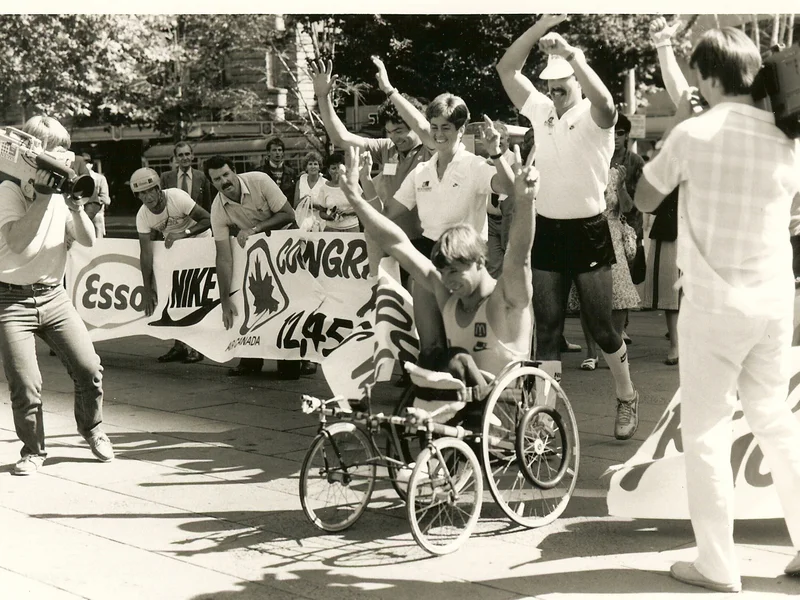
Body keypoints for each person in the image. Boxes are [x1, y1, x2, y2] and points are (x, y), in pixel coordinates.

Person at [635, 27, 800, 592]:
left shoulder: (695, 133)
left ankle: (717, 563)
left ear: (705, 76)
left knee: (705, 430)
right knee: (776, 423)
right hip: (775, 300)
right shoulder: (786, 138)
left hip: (711, 304)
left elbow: (644, 198)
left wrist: (681, 119)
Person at [496, 14, 639, 440]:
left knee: (601, 326)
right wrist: (541, 25)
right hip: (548, 230)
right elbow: (507, 68)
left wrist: (571, 54)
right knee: (549, 326)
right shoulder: (540, 108)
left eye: (563, 88)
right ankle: (544, 409)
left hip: (590, 229)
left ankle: (626, 393)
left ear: (577, 83)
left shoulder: (595, 116)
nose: (555, 95)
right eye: (551, 88)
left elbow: (609, 104)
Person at [340, 142, 536, 384]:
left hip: (503, 408)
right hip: (457, 405)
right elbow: (396, 244)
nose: (449, 281)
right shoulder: (449, 294)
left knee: (454, 361)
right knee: (432, 360)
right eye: (444, 273)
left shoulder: (506, 298)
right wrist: (355, 198)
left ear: (479, 261)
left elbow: (519, 255)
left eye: (455, 271)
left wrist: (526, 202)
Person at [371, 56, 515, 369]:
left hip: (465, 261)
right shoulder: (421, 170)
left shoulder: (475, 166)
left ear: (460, 130)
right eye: (434, 127)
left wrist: (498, 154)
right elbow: (389, 213)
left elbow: (507, 185)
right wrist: (357, 192)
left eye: (446, 128)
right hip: (428, 256)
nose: (437, 134)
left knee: (463, 347)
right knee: (431, 345)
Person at [0, 116, 114, 475]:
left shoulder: (63, 192)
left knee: (89, 367)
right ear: (32, 153)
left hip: (53, 295)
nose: (64, 156)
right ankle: (33, 450)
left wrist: (77, 206)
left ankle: (93, 429)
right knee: (26, 383)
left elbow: (87, 239)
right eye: (55, 148)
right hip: (11, 299)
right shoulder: (9, 190)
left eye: (65, 148)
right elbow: (18, 243)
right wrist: (43, 198)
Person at [310, 58, 430, 240]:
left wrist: (390, 90)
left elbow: (423, 126)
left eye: (399, 131)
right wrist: (322, 98)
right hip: (391, 240)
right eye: (389, 132)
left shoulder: (432, 150)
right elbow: (340, 138)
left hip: (425, 241)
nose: (394, 137)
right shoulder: (386, 147)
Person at [205, 155, 300, 378]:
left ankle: (291, 361)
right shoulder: (218, 209)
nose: (224, 182)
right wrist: (225, 299)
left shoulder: (260, 180)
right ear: (212, 183)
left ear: (235, 171)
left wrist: (254, 229)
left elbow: (289, 214)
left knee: (288, 304)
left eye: (226, 174)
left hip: (286, 245)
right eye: (217, 179)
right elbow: (224, 257)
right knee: (247, 299)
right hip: (256, 253)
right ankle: (250, 359)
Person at [131, 167, 211, 364]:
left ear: (159, 189)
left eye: (150, 190)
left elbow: (208, 219)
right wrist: (147, 288)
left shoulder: (176, 197)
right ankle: (179, 346)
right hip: (176, 251)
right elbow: (146, 253)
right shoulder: (143, 215)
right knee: (175, 297)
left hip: (198, 244)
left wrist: (184, 233)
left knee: (193, 297)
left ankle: (197, 346)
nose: (147, 197)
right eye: (142, 193)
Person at [570, 165, 640, 370]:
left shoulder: (616, 173)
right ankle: (591, 352)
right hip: (587, 232)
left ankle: (615, 347)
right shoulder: (581, 169)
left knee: (619, 294)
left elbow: (627, 207)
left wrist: (619, 186)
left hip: (613, 235)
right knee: (587, 294)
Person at [314, 153, 360, 233]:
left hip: (352, 229)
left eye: (339, 168)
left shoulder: (353, 184)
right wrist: (328, 217)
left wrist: (348, 213)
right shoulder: (324, 188)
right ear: (328, 170)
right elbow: (321, 212)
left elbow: (364, 207)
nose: (337, 171)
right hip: (331, 230)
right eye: (333, 168)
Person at [159, 142, 212, 212]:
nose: (184, 158)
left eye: (187, 154)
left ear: (192, 156)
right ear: (176, 158)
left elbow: (207, 206)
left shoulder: (202, 177)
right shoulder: (165, 177)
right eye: (180, 155)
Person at [80, 152, 111, 238]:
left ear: (91, 165)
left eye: (86, 163)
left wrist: (92, 200)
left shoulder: (100, 178)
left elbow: (106, 199)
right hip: (80, 212)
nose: (84, 166)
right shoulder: (77, 179)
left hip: (96, 213)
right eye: (82, 164)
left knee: (98, 239)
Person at [259, 137, 297, 202]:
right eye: (274, 150)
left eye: (279, 150)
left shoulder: (291, 173)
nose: (277, 153)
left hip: (286, 209)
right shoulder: (260, 172)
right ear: (268, 153)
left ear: (283, 153)